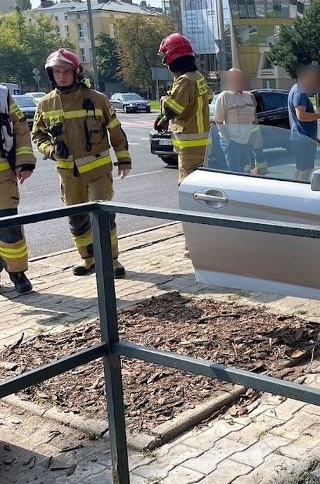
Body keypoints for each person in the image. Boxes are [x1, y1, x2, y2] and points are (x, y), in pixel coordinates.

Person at [31, 49, 131, 276]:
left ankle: (112, 259)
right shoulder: (45, 104)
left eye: (66, 71)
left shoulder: (97, 99)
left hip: (98, 170)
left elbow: (116, 132)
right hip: (68, 173)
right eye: (57, 72)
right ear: (51, 74)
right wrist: (50, 150)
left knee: (103, 215)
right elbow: (38, 135)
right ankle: (88, 259)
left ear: (76, 72)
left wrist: (123, 160)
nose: (62, 76)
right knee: (77, 219)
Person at [155, 34, 212, 182]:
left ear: (173, 58)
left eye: (165, 58)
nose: (165, 62)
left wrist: (164, 100)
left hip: (190, 145)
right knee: (202, 181)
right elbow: (206, 97)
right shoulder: (197, 77)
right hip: (201, 141)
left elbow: (173, 109)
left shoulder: (185, 81)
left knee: (187, 183)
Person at [0, 85, 36, 294]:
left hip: (3, 175)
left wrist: (24, 162)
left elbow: (21, 129)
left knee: (9, 226)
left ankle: (17, 273)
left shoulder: (2, 95)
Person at [214, 68, 263, 173]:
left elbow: (254, 121)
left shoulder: (249, 96)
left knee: (243, 173)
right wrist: (229, 142)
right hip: (231, 143)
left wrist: (254, 141)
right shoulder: (224, 96)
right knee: (234, 173)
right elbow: (218, 121)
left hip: (246, 142)